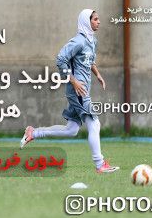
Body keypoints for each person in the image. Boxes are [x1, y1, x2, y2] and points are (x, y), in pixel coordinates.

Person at [20, 9, 119, 174]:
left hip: (83, 90)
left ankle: (33, 133)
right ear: (86, 22)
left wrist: (98, 74)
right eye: (95, 19)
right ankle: (100, 164)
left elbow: (89, 61)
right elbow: (60, 60)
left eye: (98, 19)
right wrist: (73, 81)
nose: (98, 22)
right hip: (77, 92)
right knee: (94, 123)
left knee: (71, 130)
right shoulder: (78, 41)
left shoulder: (92, 41)